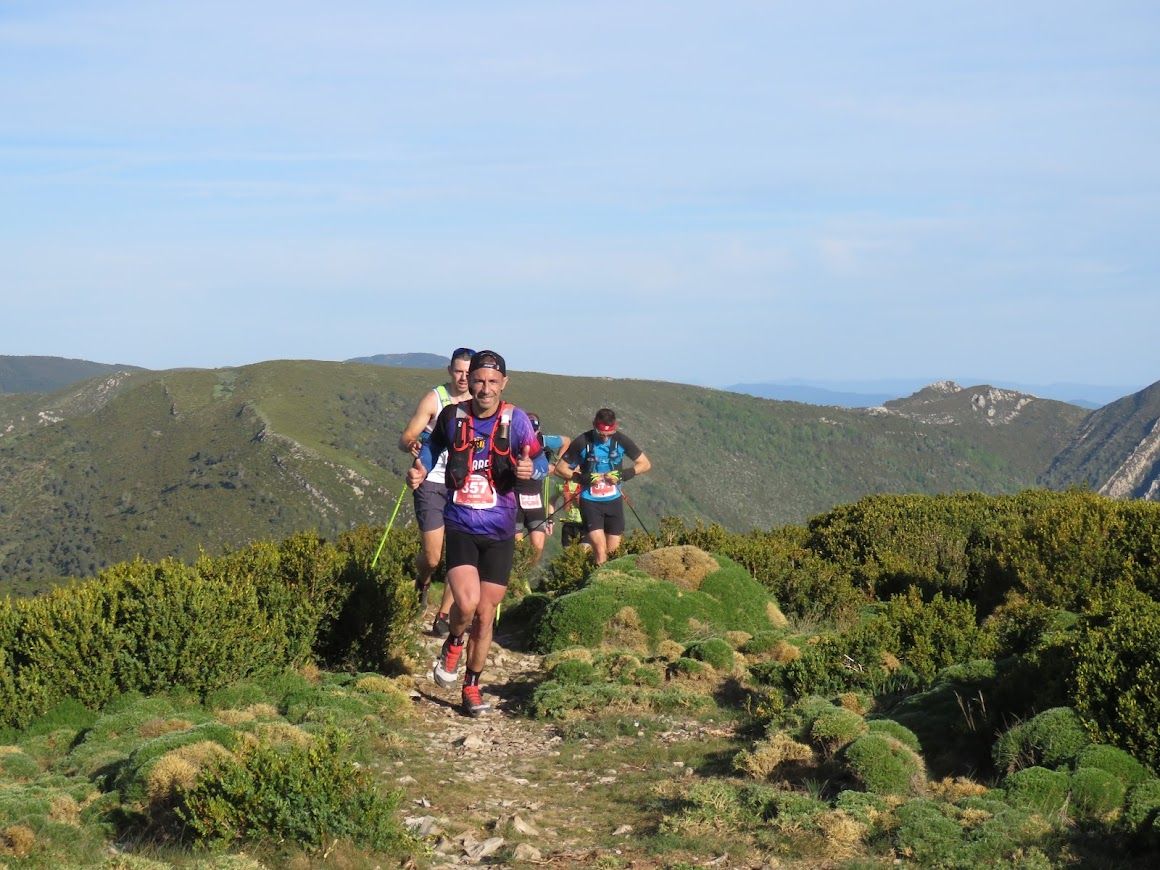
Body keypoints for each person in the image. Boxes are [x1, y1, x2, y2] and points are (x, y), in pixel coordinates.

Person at [407, 350, 548, 717]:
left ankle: (471, 685)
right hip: (461, 525)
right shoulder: (453, 417)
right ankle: (454, 641)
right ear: (468, 381)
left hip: (500, 531)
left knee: (485, 616)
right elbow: (434, 446)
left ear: (504, 383)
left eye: (492, 382)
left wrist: (531, 467)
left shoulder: (516, 421)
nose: (484, 389)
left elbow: (544, 460)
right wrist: (420, 469)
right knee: (466, 605)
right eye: (479, 381)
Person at [398, 346, 474, 637]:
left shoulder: (479, 404)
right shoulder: (435, 398)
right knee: (432, 557)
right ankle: (424, 581)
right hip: (430, 481)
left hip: (464, 486)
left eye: (469, 373)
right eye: (458, 371)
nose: (464, 378)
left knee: (459, 555)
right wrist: (412, 445)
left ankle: (442, 616)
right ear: (450, 371)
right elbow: (406, 436)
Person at [555, 408, 651, 565]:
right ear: (594, 425)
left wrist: (622, 475)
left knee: (614, 553)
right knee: (600, 549)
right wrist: (584, 478)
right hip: (590, 502)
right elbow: (560, 469)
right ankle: (596, 583)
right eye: (601, 434)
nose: (605, 438)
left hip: (613, 501)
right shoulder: (582, 441)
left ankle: (610, 585)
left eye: (609, 434)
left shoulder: (621, 440)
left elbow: (645, 464)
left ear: (615, 427)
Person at [513, 413, 570, 565]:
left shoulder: (543, 440)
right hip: (514, 499)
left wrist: (557, 465)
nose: (530, 435)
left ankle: (524, 573)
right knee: (517, 546)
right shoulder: (512, 442)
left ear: (538, 430)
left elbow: (566, 441)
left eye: (534, 431)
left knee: (538, 545)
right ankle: (516, 577)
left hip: (535, 499)